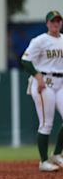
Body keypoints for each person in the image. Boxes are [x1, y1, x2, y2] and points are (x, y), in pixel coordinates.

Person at [21, 10, 63, 172]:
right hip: (44, 82)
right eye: (53, 21)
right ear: (47, 23)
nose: (56, 23)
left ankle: (57, 154)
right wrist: (37, 77)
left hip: (61, 82)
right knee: (46, 123)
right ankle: (44, 161)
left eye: (58, 21)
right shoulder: (40, 40)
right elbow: (25, 60)